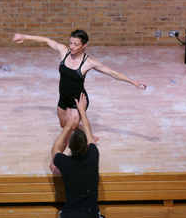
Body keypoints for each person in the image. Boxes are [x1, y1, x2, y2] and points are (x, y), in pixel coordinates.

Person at [13, 30, 147, 168]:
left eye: (76, 44)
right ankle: (89, 135)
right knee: (64, 124)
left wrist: (133, 82)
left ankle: (57, 161)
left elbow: (112, 72)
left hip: (78, 101)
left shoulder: (88, 62)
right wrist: (25, 37)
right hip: (63, 97)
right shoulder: (64, 52)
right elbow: (47, 40)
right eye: (70, 43)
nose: (72, 47)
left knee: (68, 130)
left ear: (84, 45)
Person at [40, 93, 136, 218]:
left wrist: (68, 126)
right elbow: (91, 136)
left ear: (72, 149)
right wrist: (83, 111)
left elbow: (55, 150)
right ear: (86, 148)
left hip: (70, 217)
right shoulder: (93, 156)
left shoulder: (64, 162)